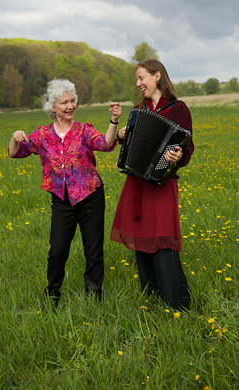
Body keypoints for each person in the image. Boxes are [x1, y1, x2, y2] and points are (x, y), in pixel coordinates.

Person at [8, 78, 122, 304]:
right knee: (57, 249)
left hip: (90, 196)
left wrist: (114, 121)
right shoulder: (42, 135)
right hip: (61, 200)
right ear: (53, 107)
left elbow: (105, 144)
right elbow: (15, 153)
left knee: (93, 249)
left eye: (72, 101)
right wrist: (14, 137)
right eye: (64, 102)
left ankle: (94, 295)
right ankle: (52, 294)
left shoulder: (83, 130)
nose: (70, 106)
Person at [111, 59, 194, 311]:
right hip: (137, 184)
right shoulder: (139, 111)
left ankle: (177, 303)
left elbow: (187, 149)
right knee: (142, 237)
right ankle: (150, 296)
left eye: (141, 78)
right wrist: (122, 135)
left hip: (161, 183)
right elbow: (129, 149)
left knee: (163, 240)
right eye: (137, 80)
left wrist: (178, 156)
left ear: (157, 76)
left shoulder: (178, 109)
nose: (138, 84)